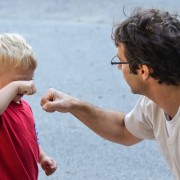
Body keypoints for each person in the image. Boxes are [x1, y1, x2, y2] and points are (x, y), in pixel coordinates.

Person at [40, 8, 180, 179]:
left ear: (143, 71)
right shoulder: (155, 103)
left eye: (121, 61)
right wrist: (72, 105)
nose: (120, 67)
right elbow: (123, 130)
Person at [0, 33, 57, 179]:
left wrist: (42, 156)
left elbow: (30, 139)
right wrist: (14, 87)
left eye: (30, 79)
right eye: (20, 81)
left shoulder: (24, 107)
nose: (28, 85)